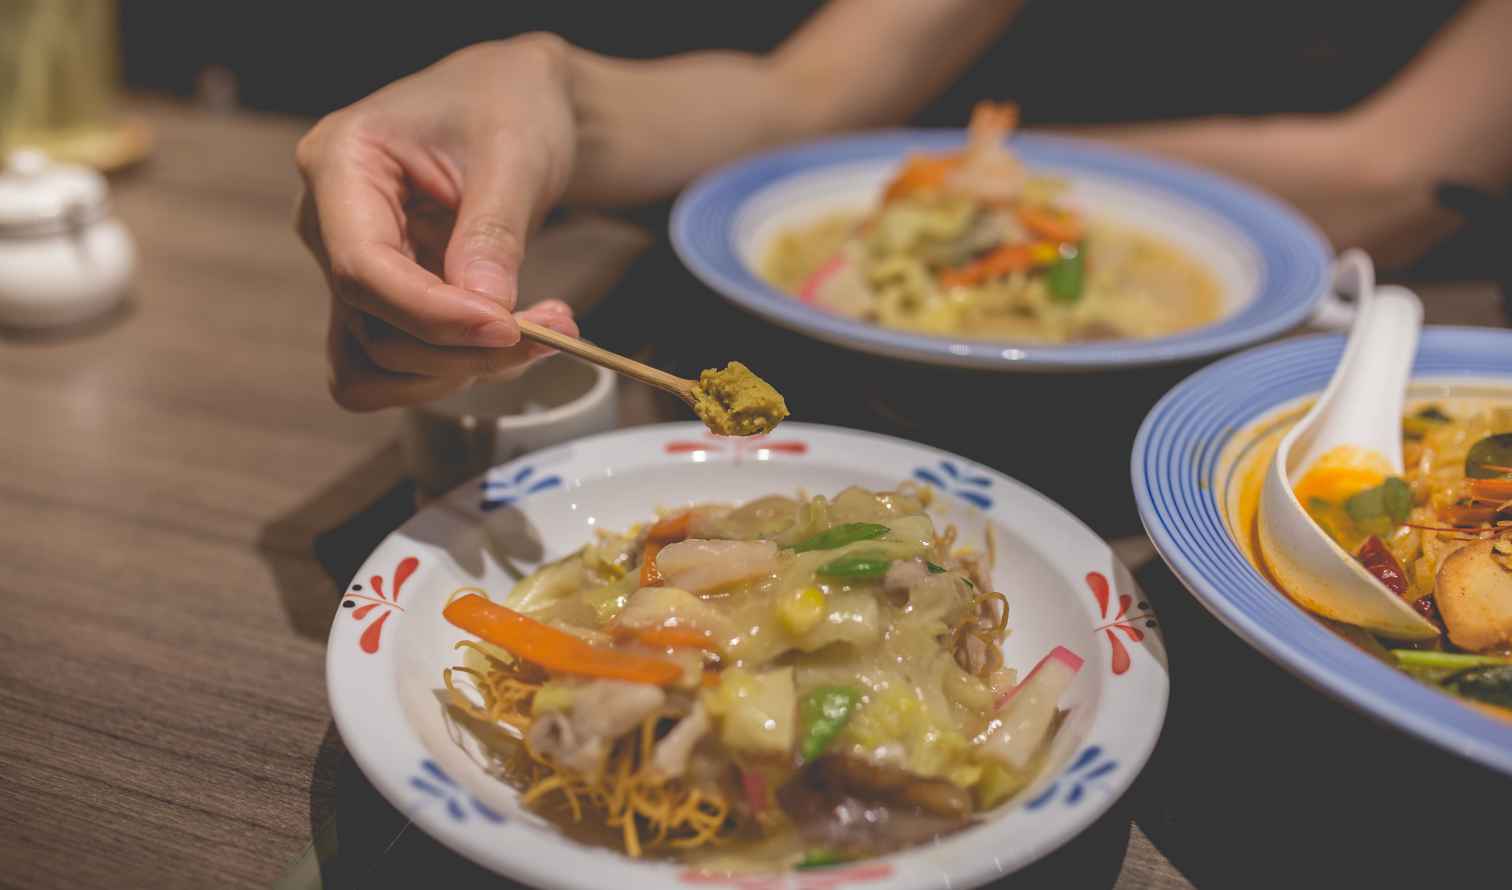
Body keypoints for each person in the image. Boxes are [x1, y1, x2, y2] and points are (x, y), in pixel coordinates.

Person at [295, 0, 1512, 411]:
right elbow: (807, 96)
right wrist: (553, 87)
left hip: (1349, 366)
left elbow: (1388, 175)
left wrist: (971, 179)